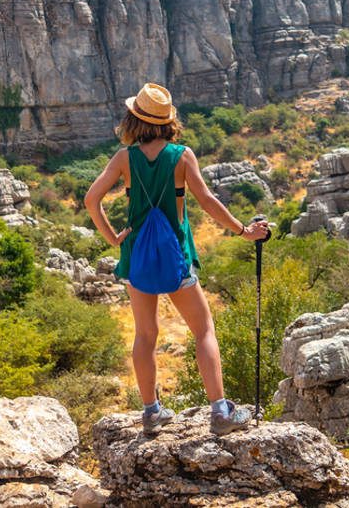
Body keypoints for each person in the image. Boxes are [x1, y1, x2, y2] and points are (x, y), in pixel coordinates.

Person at [85, 82, 270, 436]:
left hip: (136, 255)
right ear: (167, 121)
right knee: (203, 329)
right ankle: (220, 412)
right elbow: (208, 201)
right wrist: (243, 230)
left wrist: (113, 238)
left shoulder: (124, 158)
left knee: (145, 334)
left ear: (134, 119)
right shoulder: (181, 155)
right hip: (175, 256)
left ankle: (151, 412)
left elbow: (91, 199)